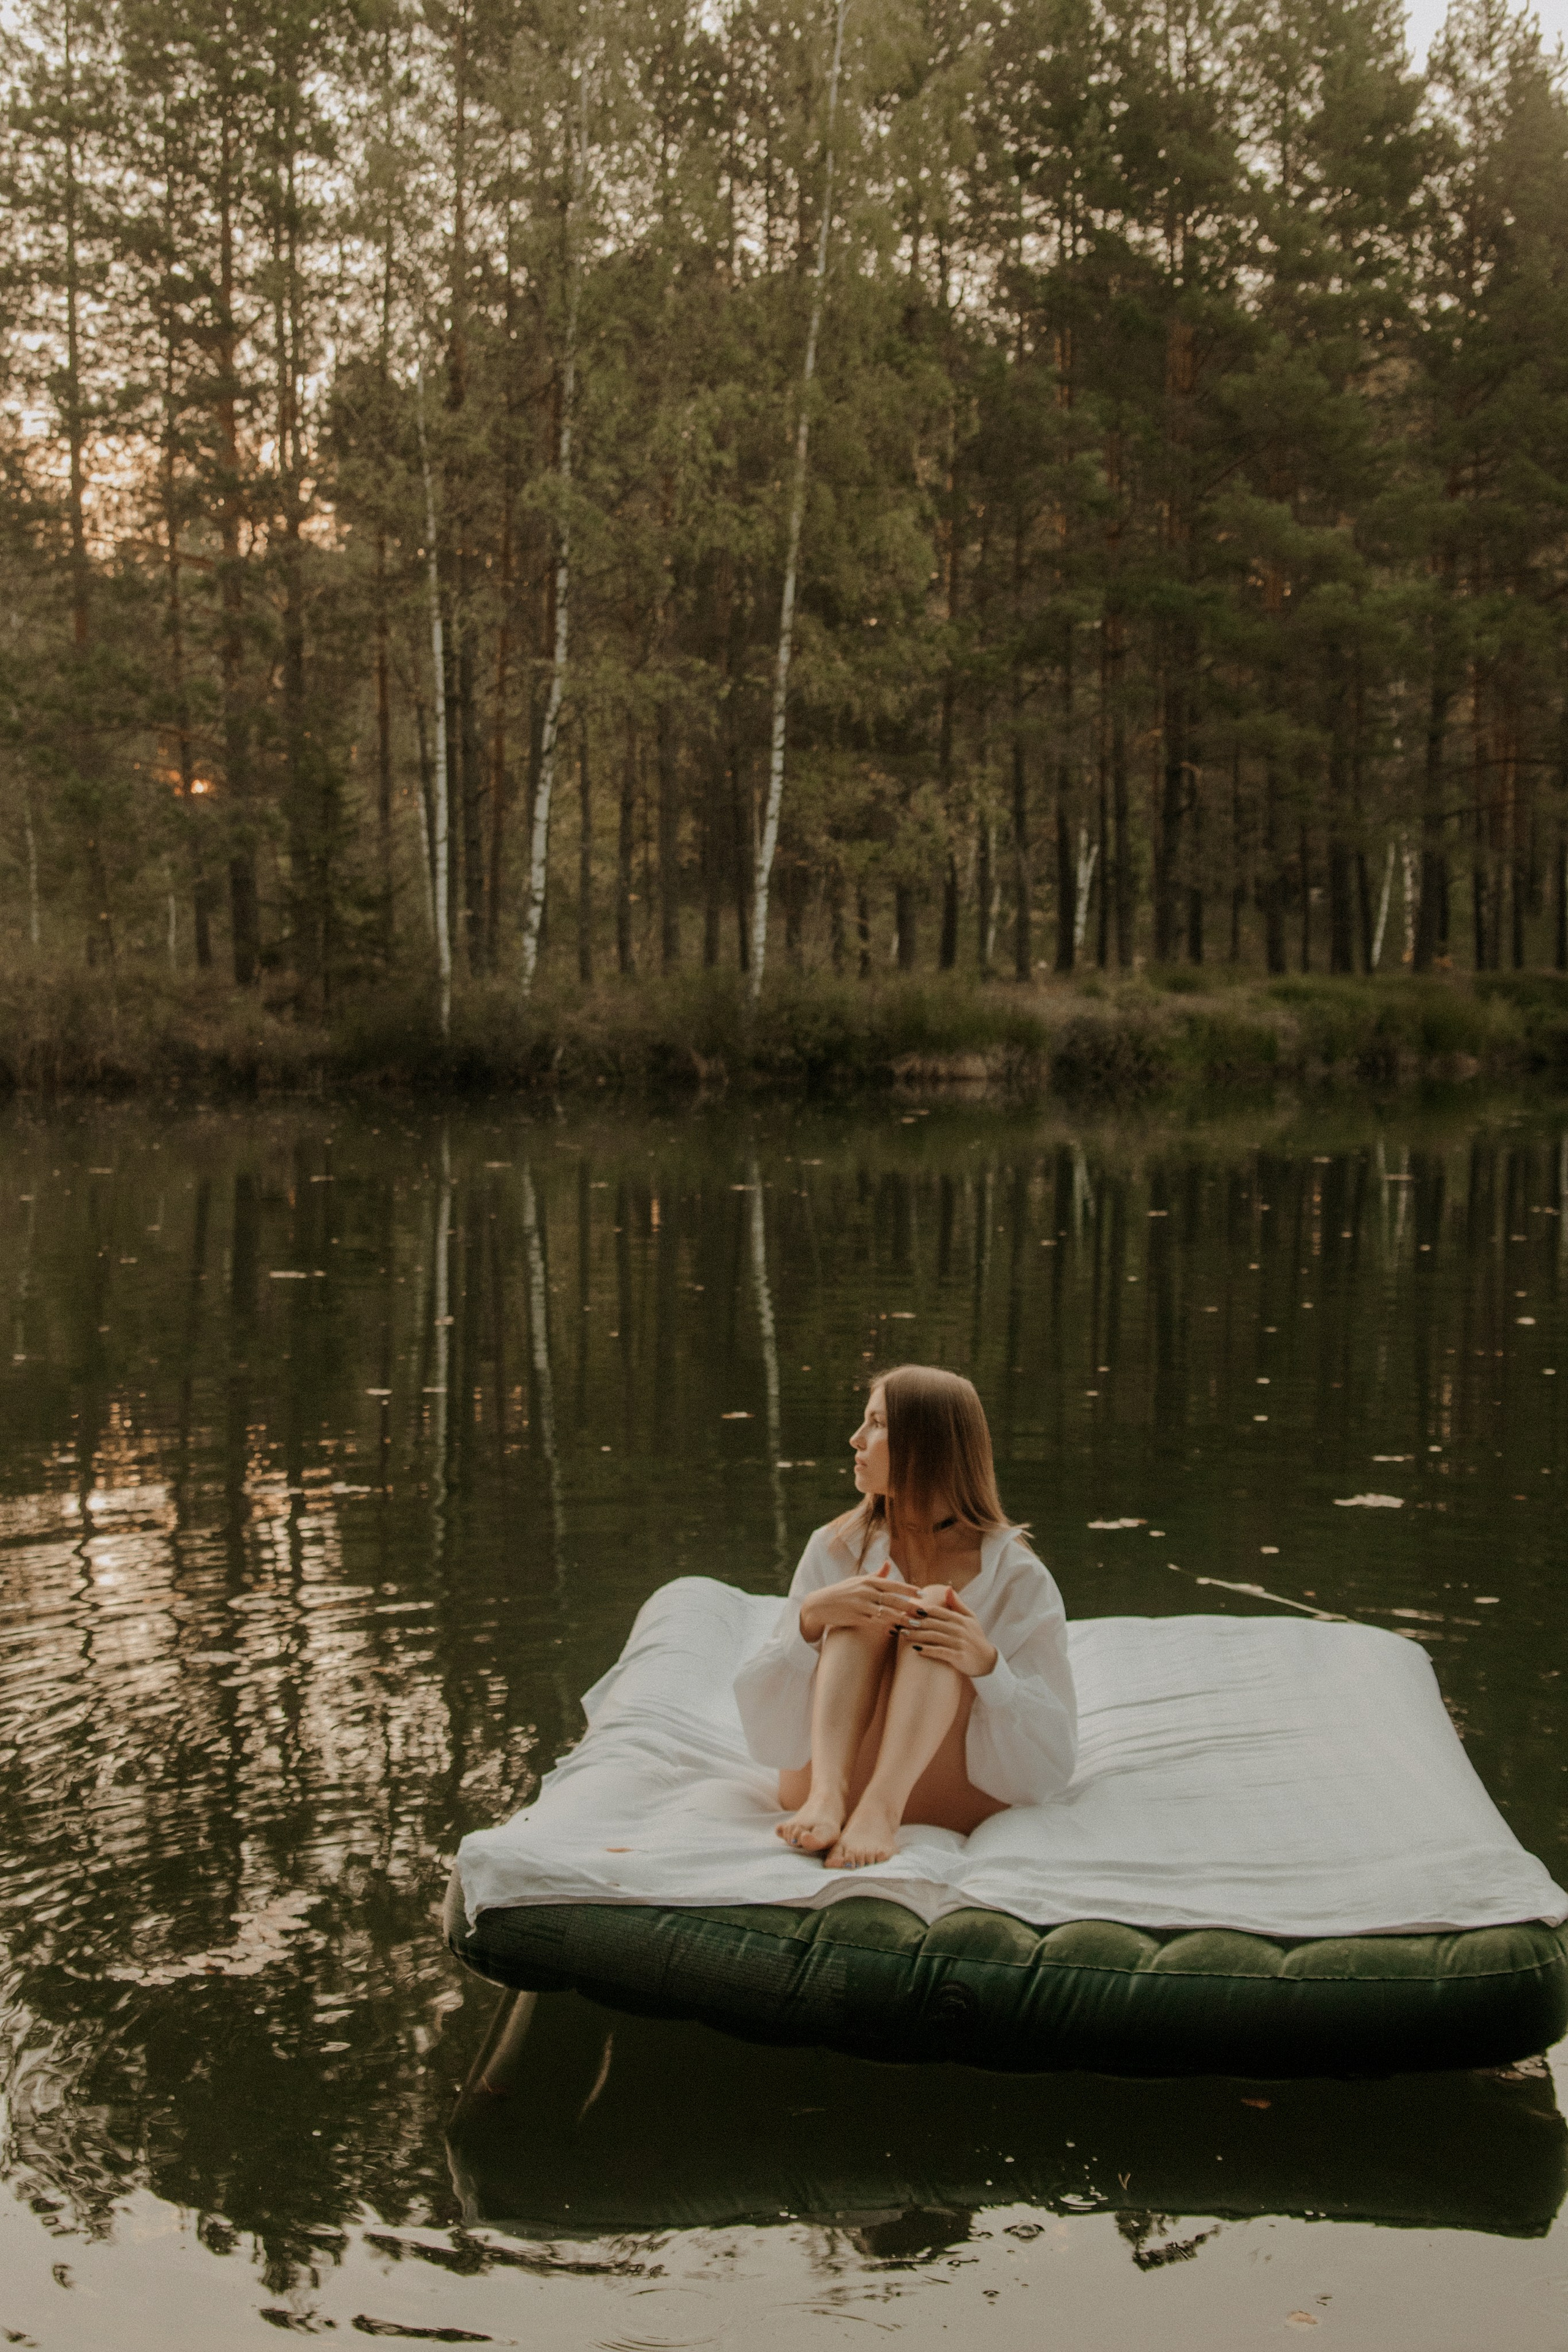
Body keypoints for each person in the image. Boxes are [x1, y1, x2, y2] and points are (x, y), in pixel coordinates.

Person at [733, 1365, 1076, 1869]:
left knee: (935, 1607)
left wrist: (986, 1664)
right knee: (861, 1604)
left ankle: (881, 1809)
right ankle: (829, 1799)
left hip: (948, 1793)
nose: (856, 1440)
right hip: (819, 1786)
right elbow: (765, 1730)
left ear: (928, 1445)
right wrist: (809, 1620)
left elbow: (1052, 1762)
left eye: (876, 1424)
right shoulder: (835, 1547)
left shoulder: (1017, 1575)